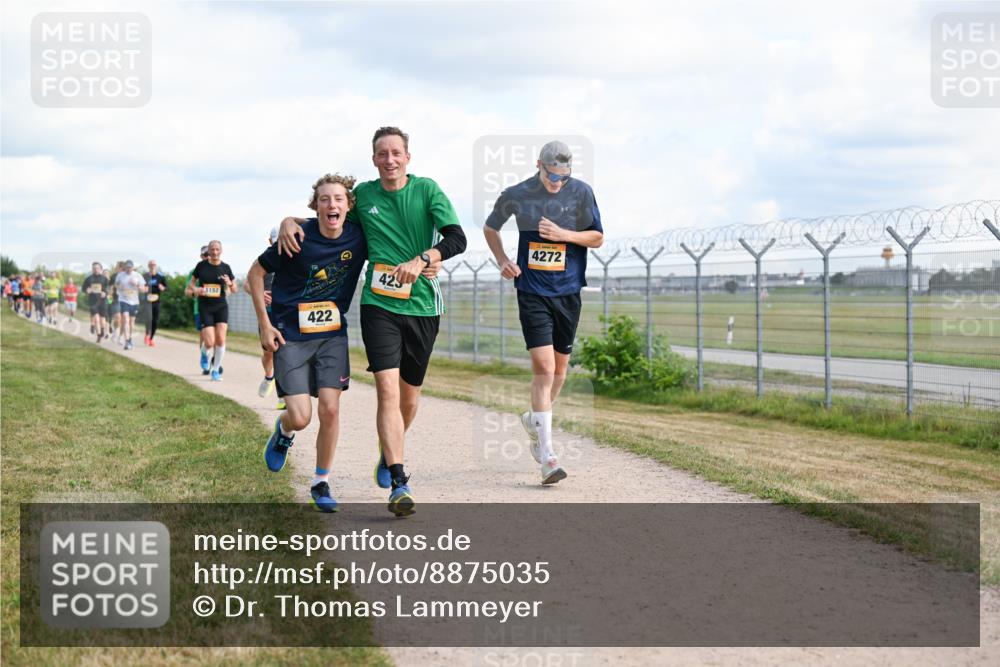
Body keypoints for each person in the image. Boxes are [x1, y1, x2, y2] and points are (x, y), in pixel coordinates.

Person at [279, 126, 466, 517]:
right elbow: (329, 215)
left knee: (409, 399)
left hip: (423, 307)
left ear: (407, 158)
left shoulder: (427, 190)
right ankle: (399, 479)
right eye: (382, 154)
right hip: (379, 304)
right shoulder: (363, 195)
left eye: (396, 153)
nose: (390, 160)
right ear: (374, 159)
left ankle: (388, 452)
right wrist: (287, 220)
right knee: (387, 391)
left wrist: (425, 259)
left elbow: (456, 238)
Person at [483, 140, 604, 484]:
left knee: (560, 372)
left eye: (563, 177)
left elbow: (596, 238)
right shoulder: (517, 193)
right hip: (532, 291)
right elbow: (491, 228)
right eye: (552, 176)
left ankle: (534, 420)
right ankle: (548, 456)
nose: (557, 183)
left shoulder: (581, 192)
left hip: (568, 291)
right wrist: (504, 261)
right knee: (544, 369)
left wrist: (564, 234)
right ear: (539, 165)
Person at [251, 174, 368, 512]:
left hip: (332, 335)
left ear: (349, 206)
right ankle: (284, 431)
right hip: (291, 335)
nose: (332, 204)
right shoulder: (297, 238)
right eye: (324, 199)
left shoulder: (359, 238)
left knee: (331, 408)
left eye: (338, 199)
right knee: (301, 417)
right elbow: (255, 273)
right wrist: (264, 324)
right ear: (314, 206)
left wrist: (430, 261)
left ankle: (320, 482)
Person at [187, 240, 236, 381]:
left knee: (221, 340)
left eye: (217, 249)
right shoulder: (201, 266)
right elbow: (191, 285)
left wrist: (230, 283)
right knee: (209, 342)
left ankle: (215, 370)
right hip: (205, 307)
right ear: (208, 251)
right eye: (212, 250)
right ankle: (204, 353)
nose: (214, 252)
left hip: (221, 306)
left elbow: (234, 289)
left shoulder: (226, 268)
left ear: (221, 251)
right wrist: (195, 289)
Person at [246, 228, 280, 399]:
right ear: (270, 241)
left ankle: (284, 395)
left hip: (287, 314)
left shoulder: (297, 259)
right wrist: (258, 293)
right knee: (269, 352)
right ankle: (269, 376)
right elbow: (247, 285)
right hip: (267, 315)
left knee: (286, 353)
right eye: (276, 239)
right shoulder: (263, 260)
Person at [184, 246, 214, 374]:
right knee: (205, 337)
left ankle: (216, 364)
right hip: (201, 308)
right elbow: (187, 291)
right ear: (201, 256)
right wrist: (196, 292)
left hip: (218, 308)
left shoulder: (220, 269)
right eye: (205, 255)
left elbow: (228, 288)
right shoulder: (194, 272)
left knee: (218, 338)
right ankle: (205, 357)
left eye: (210, 254)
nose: (208, 257)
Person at [115, 260, 147, 350]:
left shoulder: (138, 275)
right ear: (125, 267)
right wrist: (119, 286)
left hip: (134, 301)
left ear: (133, 267)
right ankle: (127, 341)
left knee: (131, 323)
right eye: (127, 267)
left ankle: (130, 339)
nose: (128, 269)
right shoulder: (120, 275)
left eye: (130, 267)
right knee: (125, 319)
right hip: (123, 300)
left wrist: (137, 285)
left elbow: (144, 289)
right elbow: (116, 285)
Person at [82, 263, 110, 342]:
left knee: (102, 320)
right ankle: (99, 335)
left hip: (102, 302)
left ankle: (102, 330)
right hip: (93, 301)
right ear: (92, 269)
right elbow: (83, 288)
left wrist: (105, 293)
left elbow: (108, 289)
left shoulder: (104, 279)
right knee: (96, 319)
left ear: (100, 269)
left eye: (97, 268)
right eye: (94, 268)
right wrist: (87, 290)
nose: (95, 269)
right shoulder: (89, 279)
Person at [143, 260, 168, 346]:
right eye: (151, 265)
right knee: (148, 318)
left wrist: (163, 288)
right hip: (147, 301)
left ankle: (151, 338)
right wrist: (143, 289)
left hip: (156, 301)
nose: (152, 266)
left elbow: (167, 287)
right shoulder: (145, 276)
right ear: (148, 266)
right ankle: (147, 334)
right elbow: (140, 286)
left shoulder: (160, 276)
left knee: (155, 320)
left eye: (154, 264)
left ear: (156, 266)